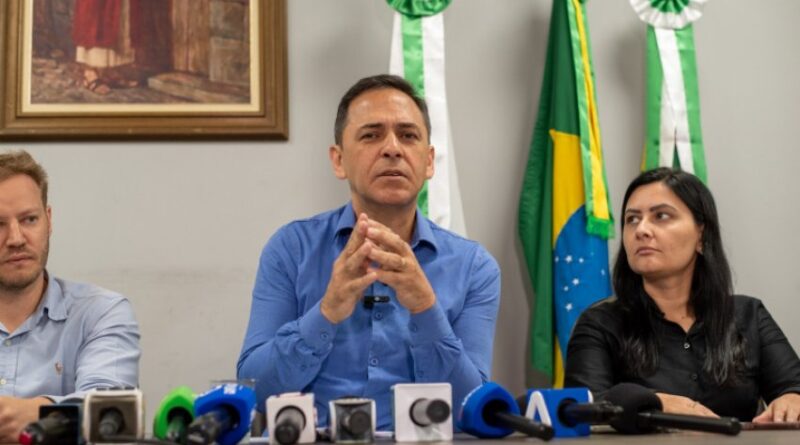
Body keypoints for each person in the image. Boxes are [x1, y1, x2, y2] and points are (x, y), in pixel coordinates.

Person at [237, 74, 501, 429]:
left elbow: (473, 408)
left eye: (408, 136)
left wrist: (426, 308)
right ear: (339, 161)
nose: (392, 148)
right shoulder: (291, 249)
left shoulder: (474, 267)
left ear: (429, 162)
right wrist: (327, 311)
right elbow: (253, 390)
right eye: (371, 135)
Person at [565, 167, 800, 422]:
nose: (641, 230)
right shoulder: (600, 323)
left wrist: (792, 398)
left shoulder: (749, 315)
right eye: (632, 219)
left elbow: (793, 386)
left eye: (661, 216)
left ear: (702, 236)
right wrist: (656, 402)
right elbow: (583, 411)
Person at [0, 151, 140, 441]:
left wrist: (38, 414)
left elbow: (109, 409)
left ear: (48, 220)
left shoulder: (101, 312)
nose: (16, 239)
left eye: (29, 219)